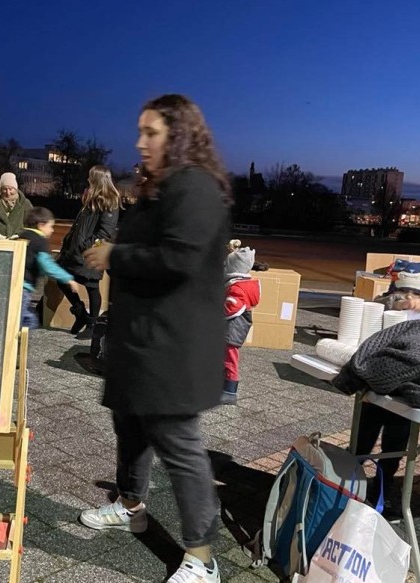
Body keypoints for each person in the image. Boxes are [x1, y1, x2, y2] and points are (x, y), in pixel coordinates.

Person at [79, 94, 231, 583]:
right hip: (140, 340)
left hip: (173, 346)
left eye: (151, 133)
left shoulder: (195, 185)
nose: (140, 142)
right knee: (130, 427)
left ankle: (203, 559)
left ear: (179, 135)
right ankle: (130, 507)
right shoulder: (160, 187)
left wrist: (114, 256)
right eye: (140, 132)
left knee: (180, 449)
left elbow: (180, 258)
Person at [56, 165, 121, 336]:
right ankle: (81, 314)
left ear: (98, 179)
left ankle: (92, 325)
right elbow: (80, 226)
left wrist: (87, 247)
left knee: (92, 287)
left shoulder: (110, 202)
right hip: (76, 251)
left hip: (90, 252)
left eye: (91, 177)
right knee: (61, 278)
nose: (88, 179)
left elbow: (105, 233)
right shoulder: (91, 199)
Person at [17, 207, 79, 330]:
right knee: (27, 320)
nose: (52, 230)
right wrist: (68, 279)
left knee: (19, 316)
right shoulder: (40, 241)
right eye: (50, 226)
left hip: (12, 285)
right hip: (24, 287)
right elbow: (47, 265)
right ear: (41, 225)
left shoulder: (20, 235)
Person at [222, 245, 261, 405]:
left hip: (233, 329)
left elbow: (232, 307)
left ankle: (229, 392)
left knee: (229, 359)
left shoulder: (236, 288)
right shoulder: (243, 284)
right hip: (235, 328)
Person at [0, 172, 32, 237]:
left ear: (16, 189)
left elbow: (32, 223)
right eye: (4, 189)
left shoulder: (25, 203)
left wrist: (20, 234)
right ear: (0, 190)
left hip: (20, 241)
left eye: (10, 189)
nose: (8, 193)